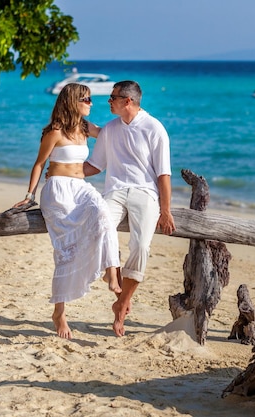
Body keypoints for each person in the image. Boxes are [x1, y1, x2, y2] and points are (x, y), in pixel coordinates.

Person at [13, 83, 121, 340]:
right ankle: (59, 313)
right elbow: (39, 164)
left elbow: (112, 134)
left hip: (80, 187)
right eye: (85, 99)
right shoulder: (55, 131)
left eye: (91, 99)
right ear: (73, 101)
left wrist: (135, 119)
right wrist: (29, 196)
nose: (90, 103)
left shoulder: (86, 128)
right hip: (58, 191)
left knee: (103, 214)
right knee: (66, 251)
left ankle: (111, 272)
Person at [86, 80, 176, 336]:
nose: (108, 101)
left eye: (112, 97)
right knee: (99, 226)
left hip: (145, 193)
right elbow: (95, 165)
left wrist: (166, 210)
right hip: (115, 191)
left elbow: (163, 174)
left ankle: (123, 301)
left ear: (127, 101)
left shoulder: (154, 128)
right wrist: (64, 172)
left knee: (141, 246)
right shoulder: (110, 129)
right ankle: (113, 275)